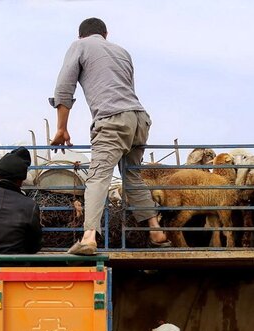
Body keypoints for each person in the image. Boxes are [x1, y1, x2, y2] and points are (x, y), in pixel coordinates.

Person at [49, 17, 171, 255]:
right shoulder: (122, 51)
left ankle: (88, 238)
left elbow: (64, 88)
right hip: (139, 119)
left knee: (98, 176)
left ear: (80, 35)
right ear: (106, 33)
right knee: (132, 176)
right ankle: (156, 231)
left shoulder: (80, 46)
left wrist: (61, 128)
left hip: (113, 119)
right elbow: (127, 88)